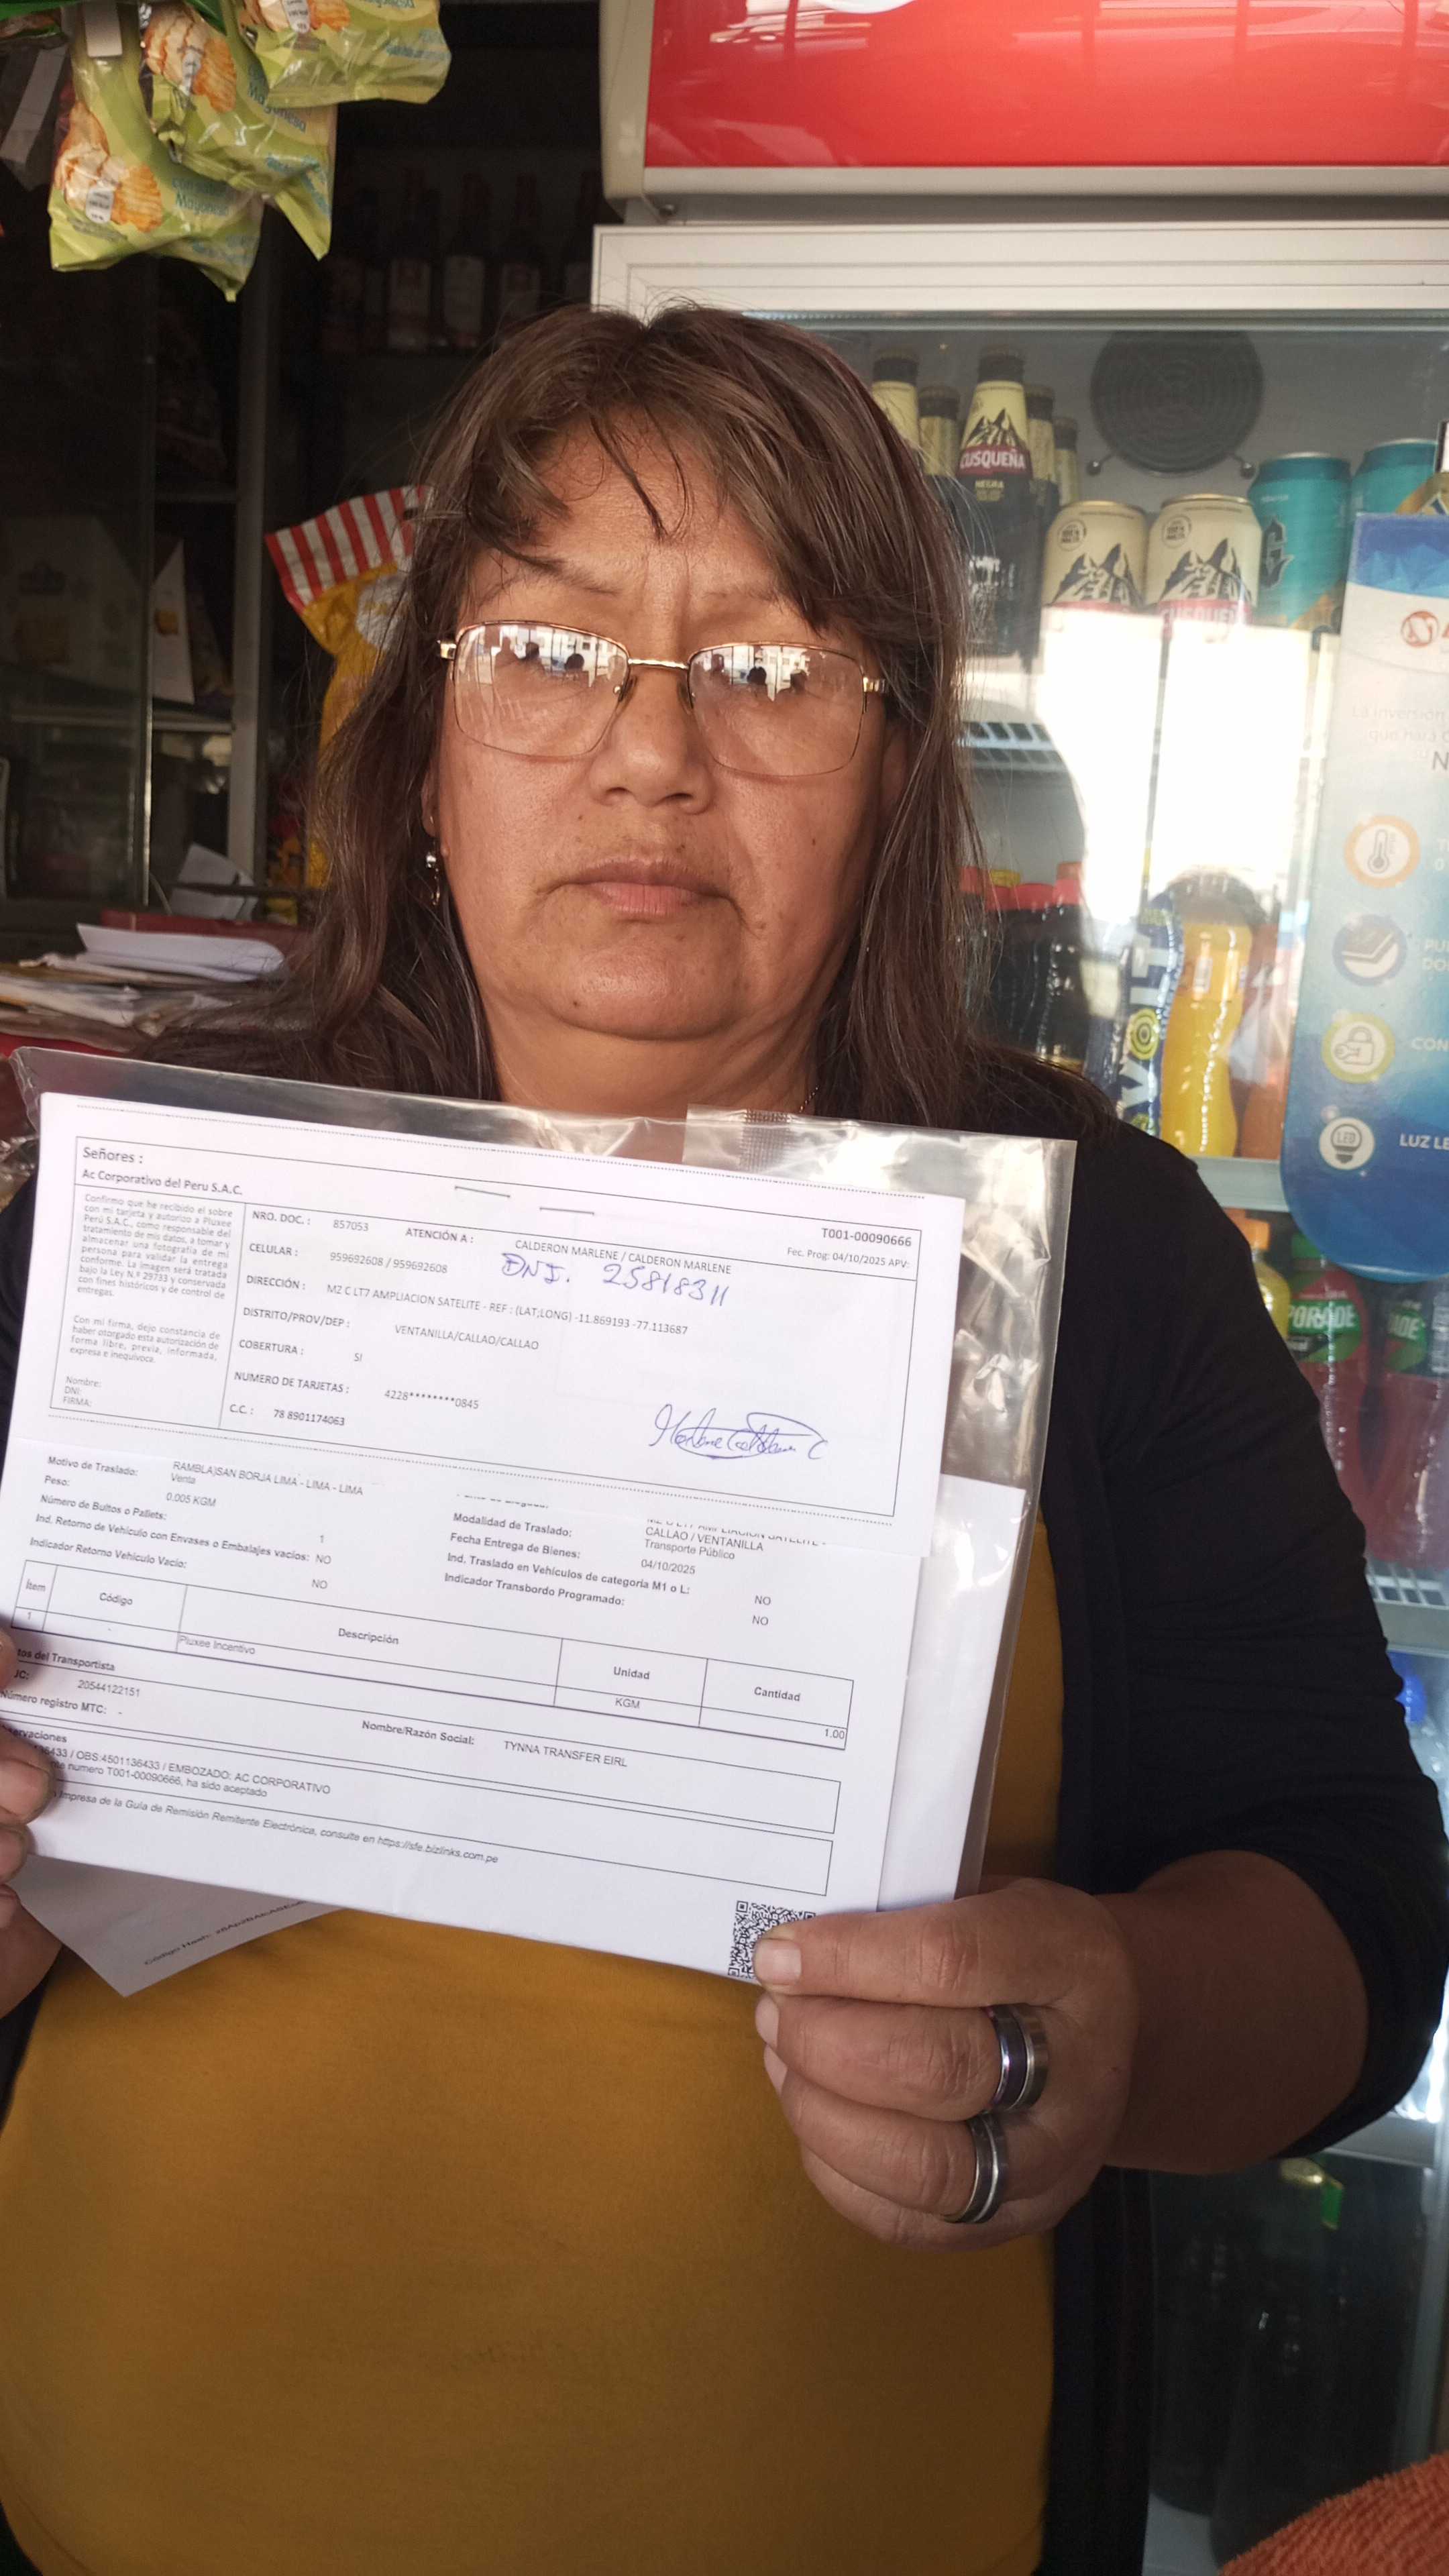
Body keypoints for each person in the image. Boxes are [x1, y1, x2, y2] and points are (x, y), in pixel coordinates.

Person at [0, 305, 1440, 2576]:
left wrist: (1108, 2027)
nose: (652, 756)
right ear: (429, 737)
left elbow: (1358, 1922)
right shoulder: (152, 1236)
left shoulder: (1112, 1266)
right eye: (550, 651)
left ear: (897, 758)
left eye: (768, 668)